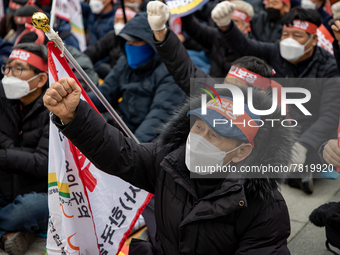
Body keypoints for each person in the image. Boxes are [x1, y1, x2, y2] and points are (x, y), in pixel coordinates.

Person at [44, 74, 293, 254]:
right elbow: (121, 153)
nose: (199, 139)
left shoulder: (265, 208)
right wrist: (74, 115)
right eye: (198, 127)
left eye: (214, 135)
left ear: (242, 152)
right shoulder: (169, 160)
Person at [210, 2, 340, 193]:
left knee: (321, 153)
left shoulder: (330, 68)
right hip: (278, 125)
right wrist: (226, 26)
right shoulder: (275, 52)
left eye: (297, 35)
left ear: (313, 40)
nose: (289, 40)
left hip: (311, 133)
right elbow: (246, 46)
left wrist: (303, 145)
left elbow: (330, 114)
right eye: (286, 34)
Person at [87, 12, 186, 143]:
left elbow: (158, 116)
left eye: (135, 41)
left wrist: (132, 148)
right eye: (127, 41)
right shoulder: (124, 62)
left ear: (152, 43)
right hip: (123, 130)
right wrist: (78, 101)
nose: (130, 45)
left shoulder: (170, 70)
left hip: (151, 143)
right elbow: (103, 95)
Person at [0, 43, 49, 254]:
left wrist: (5, 156)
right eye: (8, 68)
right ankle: (8, 234)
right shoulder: (4, 99)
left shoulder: (55, 109)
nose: (10, 74)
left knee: (32, 209)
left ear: (40, 79)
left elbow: (43, 163)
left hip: (40, 191)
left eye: (19, 68)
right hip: (6, 183)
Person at [181, 0, 255, 77]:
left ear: (247, 27)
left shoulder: (253, 50)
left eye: (236, 22)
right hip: (211, 82)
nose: (231, 26)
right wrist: (184, 6)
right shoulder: (217, 35)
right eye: (228, 21)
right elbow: (192, 27)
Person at [84, 7, 137, 79]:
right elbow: (92, 52)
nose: (119, 24)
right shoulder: (113, 36)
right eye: (116, 20)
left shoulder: (138, 41)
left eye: (123, 20)